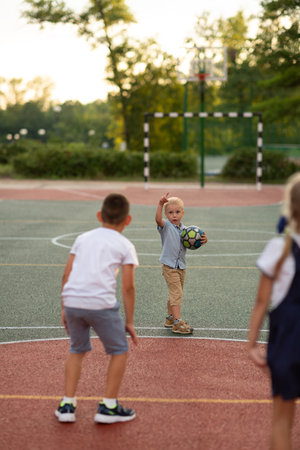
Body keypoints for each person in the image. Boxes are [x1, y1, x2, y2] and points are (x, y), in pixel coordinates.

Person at [55, 193, 139, 424]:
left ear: (99, 215)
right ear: (128, 220)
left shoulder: (82, 238)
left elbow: (67, 274)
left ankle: (67, 405)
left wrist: (65, 307)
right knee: (119, 351)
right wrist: (129, 321)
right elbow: (128, 287)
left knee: (77, 350)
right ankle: (108, 406)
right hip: (100, 305)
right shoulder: (125, 245)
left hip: (73, 301)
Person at [248, 172, 300, 449]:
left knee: (282, 419)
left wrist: (251, 344)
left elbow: (261, 302)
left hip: (289, 339)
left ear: (289, 208)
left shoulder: (279, 248)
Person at [155, 193, 207, 334]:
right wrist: (160, 205)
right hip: (169, 266)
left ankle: (170, 318)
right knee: (176, 293)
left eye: (177, 212)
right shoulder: (165, 226)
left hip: (181, 266)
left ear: (182, 213)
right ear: (166, 214)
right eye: (170, 212)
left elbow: (193, 242)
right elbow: (158, 219)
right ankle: (177, 323)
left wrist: (203, 240)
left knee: (175, 293)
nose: (174, 215)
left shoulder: (186, 231)